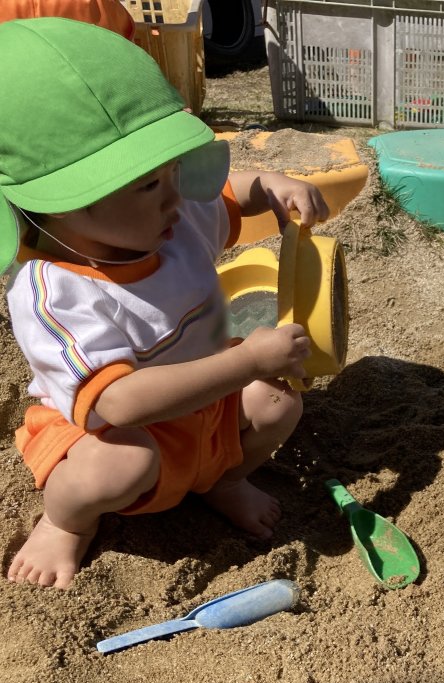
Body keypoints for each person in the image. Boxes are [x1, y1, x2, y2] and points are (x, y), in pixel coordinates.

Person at [0, 18, 331, 588]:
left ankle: (223, 480)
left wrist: (270, 184)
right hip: (111, 430)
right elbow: (121, 402)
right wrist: (247, 361)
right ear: (57, 205)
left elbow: (231, 195)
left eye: (173, 170)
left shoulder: (169, 219)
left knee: (279, 402)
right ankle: (65, 524)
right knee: (121, 464)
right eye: (148, 184)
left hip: (203, 400)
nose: (175, 195)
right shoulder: (53, 291)